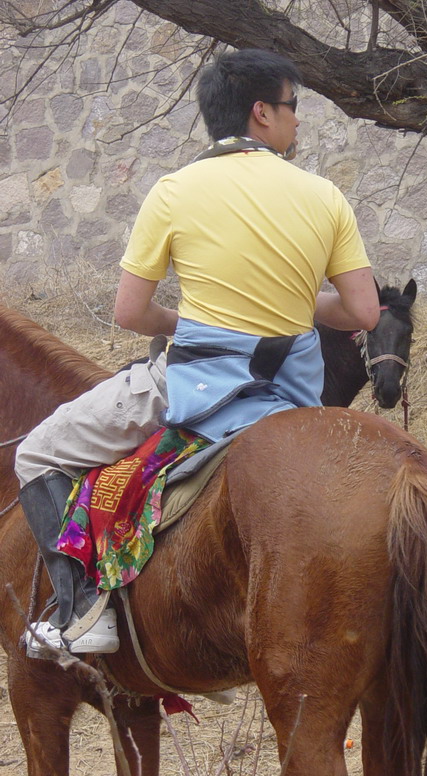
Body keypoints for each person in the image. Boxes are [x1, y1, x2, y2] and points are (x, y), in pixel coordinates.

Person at [15, 49, 380, 657]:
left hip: (192, 384)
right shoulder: (324, 196)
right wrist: (294, 300)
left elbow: (130, 313)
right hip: (290, 392)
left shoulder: (173, 191)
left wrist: (188, 319)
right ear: (261, 113)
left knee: (37, 453)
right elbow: (364, 313)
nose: (298, 120)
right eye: (294, 106)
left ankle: (84, 612)